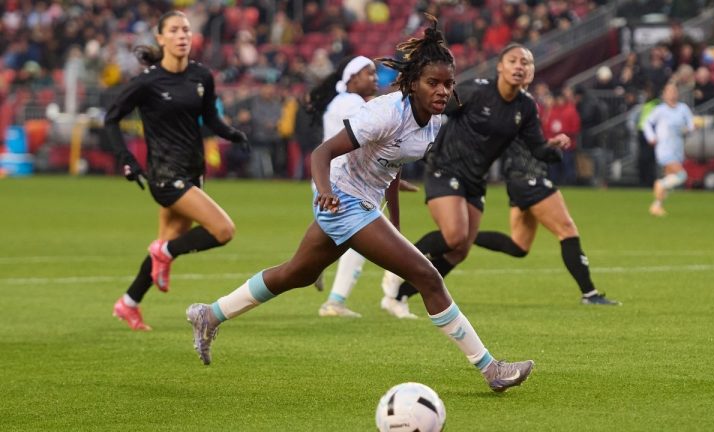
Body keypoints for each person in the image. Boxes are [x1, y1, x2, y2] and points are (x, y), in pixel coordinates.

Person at [185, 17, 535, 392]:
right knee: (428, 277)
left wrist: (394, 216)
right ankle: (491, 370)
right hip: (342, 199)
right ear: (412, 83)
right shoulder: (385, 112)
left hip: (363, 201)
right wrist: (324, 191)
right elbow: (322, 153)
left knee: (296, 274)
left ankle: (210, 314)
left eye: (448, 84)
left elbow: (392, 166)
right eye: (433, 82)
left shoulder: (433, 123)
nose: (442, 91)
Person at [381, 43, 568, 317]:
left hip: (476, 180)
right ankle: (397, 266)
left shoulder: (526, 107)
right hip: (446, 168)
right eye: (513, 60)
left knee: (460, 251)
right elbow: (433, 108)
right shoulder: (476, 91)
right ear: (500, 66)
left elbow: (537, 149)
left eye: (526, 62)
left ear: (531, 71)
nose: (519, 66)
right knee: (454, 236)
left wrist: (554, 148)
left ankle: (399, 296)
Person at [107, 11, 248, 331]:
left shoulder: (201, 75)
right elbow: (111, 118)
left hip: (193, 171)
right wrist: (126, 158)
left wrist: (230, 133)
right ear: (161, 38)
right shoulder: (147, 82)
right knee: (223, 231)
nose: (182, 35)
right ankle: (164, 252)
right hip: (164, 176)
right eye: (174, 30)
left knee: (168, 242)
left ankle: (128, 303)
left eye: (185, 30)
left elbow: (209, 117)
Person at [467, 61, 620, 306]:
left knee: (519, 245)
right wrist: (550, 149)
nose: (524, 69)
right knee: (567, 229)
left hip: (518, 179)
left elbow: (525, 142)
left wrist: (549, 144)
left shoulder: (521, 103)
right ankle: (590, 294)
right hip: (530, 177)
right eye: (518, 64)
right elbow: (524, 144)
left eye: (527, 65)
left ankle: (462, 236)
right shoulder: (516, 104)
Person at [305, 54, 380, 316]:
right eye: (369, 73)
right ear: (352, 78)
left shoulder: (341, 101)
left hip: (332, 180)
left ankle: (313, 266)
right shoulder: (352, 103)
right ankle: (334, 302)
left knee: (335, 240)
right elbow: (368, 139)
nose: (375, 78)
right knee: (363, 238)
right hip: (343, 184)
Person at [642, 82, 695, 216]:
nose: (672, 94)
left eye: (674, 91)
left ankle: (656, 206)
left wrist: (689, 129)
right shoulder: (660, 110)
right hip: (664, 148)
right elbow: (647, 123)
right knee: (681, 175)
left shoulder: (683, 109)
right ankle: (660, 184)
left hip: (678, 147)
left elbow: (691, 124)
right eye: (669, 91)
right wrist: (651, 137)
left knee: (670, 179)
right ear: (664, 94)